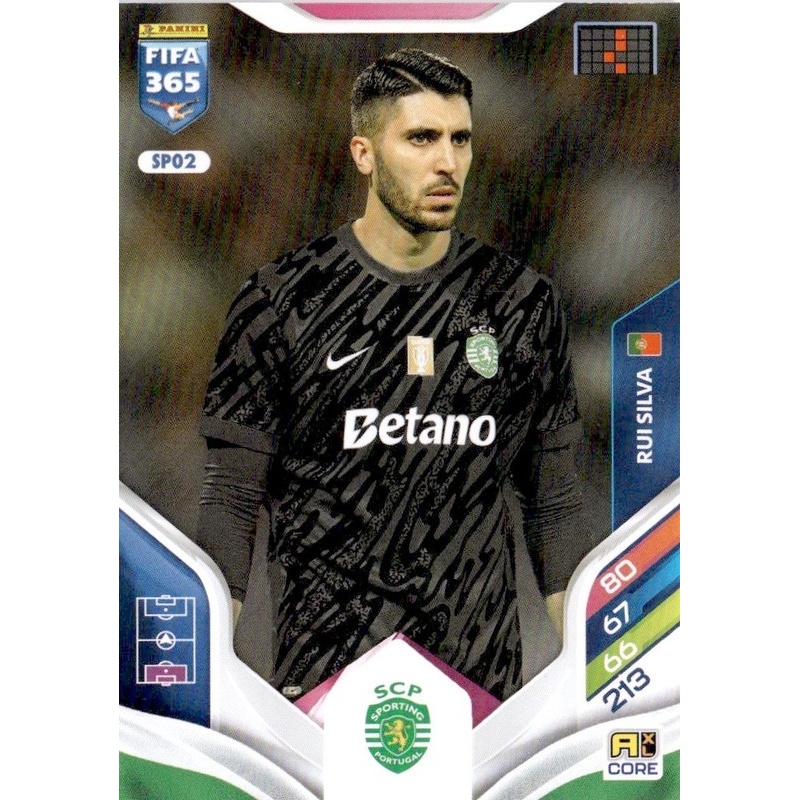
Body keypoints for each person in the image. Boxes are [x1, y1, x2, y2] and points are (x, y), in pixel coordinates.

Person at [194, 49, 586, 702]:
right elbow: (231, 498)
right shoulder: (279, 300)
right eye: (421, 138)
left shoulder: (523, 302)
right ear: (364, 153)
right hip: (324, 687)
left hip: (480, 690)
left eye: (460, 139)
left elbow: (555, 500)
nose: (447, 162)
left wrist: (591, 674)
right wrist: (205, 672)